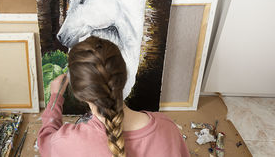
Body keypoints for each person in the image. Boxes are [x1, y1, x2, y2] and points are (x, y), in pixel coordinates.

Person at [38, 36, 189, 157]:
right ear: (123, 77)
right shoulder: (168, 128)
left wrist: (55, 98)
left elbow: (45, 143)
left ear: (79, 93)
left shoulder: (68, 142)